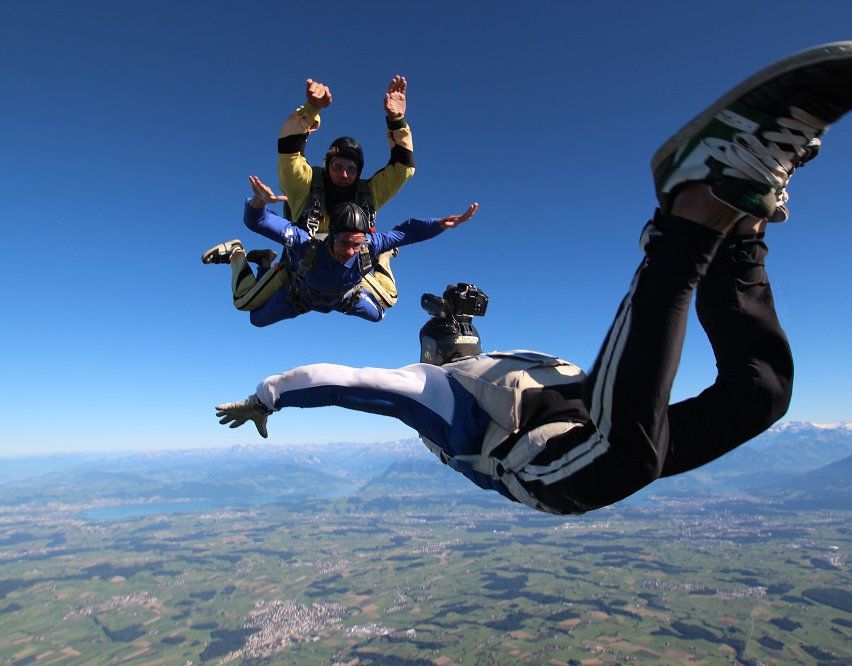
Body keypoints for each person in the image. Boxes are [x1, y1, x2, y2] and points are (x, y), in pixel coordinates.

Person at [215, 42, 852, 514]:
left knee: (708, 419)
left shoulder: (469, 365)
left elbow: (393, 234)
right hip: (557, 450)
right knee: (729, 407)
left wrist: (426, 192)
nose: (461, 344)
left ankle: (712, 219)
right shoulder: (430, 381)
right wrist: (270, 391)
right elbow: (341, 379)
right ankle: (716, 220)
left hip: (580, 440)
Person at [202, 176, 477, 326]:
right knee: (252, 315)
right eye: (344, 243)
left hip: (346, 298)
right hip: (300, 296)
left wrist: (440, 224)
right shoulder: (305, 242)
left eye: (356, 244)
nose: (349, 250)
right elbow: (258, 221)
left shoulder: (369, 244)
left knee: (382, 311)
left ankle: (385, 258)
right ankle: (240, 255)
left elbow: (409, 232)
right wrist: (257, 202)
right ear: (331, 236)